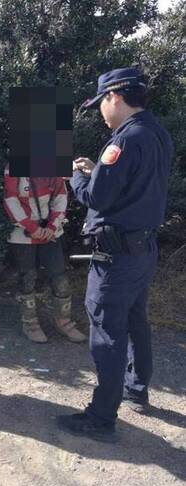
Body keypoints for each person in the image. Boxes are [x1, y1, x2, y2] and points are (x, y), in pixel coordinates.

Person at [57, 68, 173, 442]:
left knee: (107, 330)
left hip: (116, 255)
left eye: (101, 104)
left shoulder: (121, 142)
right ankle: (136, 388)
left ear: (115, 98)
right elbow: (134, 186)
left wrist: (76, 175)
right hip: (142, 249)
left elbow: (96, 198)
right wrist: (98, 173)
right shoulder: (157, 133)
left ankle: (101, 416)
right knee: (136, 321)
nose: (101, 113)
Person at [4, 167, 87, 343]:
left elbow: (61, 196)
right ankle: (30, 323)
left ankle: (64, 322)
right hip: (23, 233)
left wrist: (52, 226)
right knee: (28, 277)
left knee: (60, 278)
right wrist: (31, 227)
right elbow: (11, 199)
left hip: (51, 232)